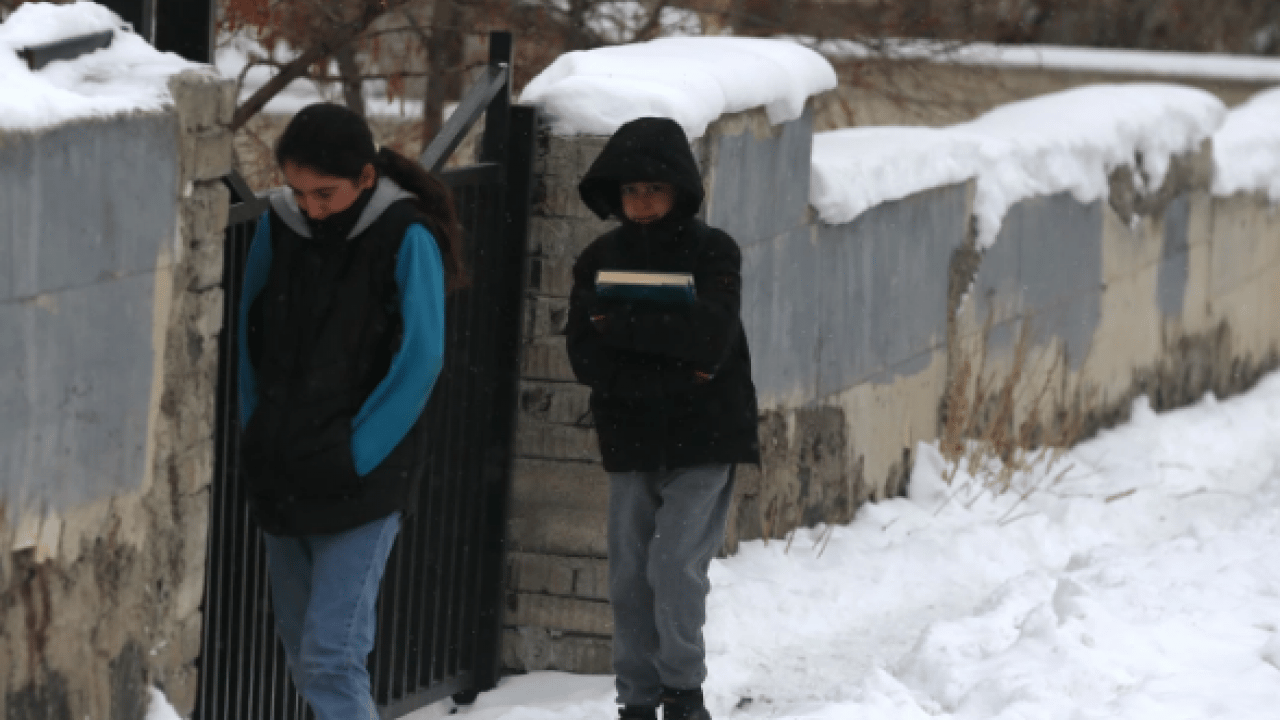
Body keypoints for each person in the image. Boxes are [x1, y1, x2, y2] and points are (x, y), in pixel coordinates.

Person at [237, 102, 465, 720]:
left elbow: (421, 359)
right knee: (303, 657)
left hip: (363, 479)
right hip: (282, 468)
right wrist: (254, 428)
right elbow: (246, 338)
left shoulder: (406, 234)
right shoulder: (278, 225)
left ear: (366, 177)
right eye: (298, 190)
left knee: (332, 657)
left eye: (326, 193)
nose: (311, 206)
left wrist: (354, 454)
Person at [566, 117, 762, 720]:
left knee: (674, 566)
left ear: (680, 188)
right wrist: (669, 367)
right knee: (629, 576)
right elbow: (584, 355)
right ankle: (637, 699)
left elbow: (710, 339)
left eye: (654, 188)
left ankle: (683, 694)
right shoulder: (598, 257)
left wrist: (622, 330)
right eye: (630, 190)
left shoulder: (713, 250)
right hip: (629, 439)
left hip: (706, 437)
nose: (642, 202)